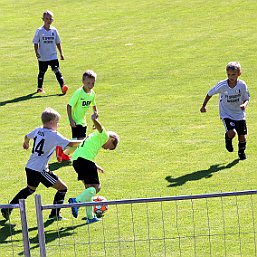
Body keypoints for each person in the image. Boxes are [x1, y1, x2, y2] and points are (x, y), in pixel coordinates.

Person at [1, 108, 82, 221]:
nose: (58, 125)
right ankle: (54, 214)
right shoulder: (54, 135)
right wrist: (85, 141)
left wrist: (26, 143)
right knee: (63, 188)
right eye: (57, 122)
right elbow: (71, 143)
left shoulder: (38, 130)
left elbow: (26, 136)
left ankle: (8, 208)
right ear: (51, 122)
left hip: (30, 167)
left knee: (30, 189)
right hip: (40, 170)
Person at [68, 113, 119, 224]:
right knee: (96, 188)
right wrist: (94, 120)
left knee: (89, 189)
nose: (107, 149)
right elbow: (101, 128)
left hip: (77, 160)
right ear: (111, 139)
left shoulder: (94, 137)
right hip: (84, 161)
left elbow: (86, 151)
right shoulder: (104, 135)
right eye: (110, 147)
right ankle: (76, 202)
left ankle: (90, 217)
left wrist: (95, 166)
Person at [200, 61, 250, 160]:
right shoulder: (222, 85)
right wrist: (204, 106)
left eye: (233, 74)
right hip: (226, 113)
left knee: (242, 136)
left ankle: (241, 152)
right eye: (228, 74)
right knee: (232, 133)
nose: (231, 77)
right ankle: (228, 139)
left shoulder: (242, 85)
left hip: (239, 114)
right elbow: (210, 93)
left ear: (239, 74)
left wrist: (244, 105)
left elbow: (247, 98)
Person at [56, 70, 98, 162]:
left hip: (83, 121)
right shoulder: (79, 93)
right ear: (83, 82)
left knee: (78, 141)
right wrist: (71, 120)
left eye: (92, 83)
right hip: (75, 120)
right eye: (88, 83)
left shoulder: (92, 93)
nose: (90, 85)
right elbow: (69, 105)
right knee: (80, 141)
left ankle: (63, 152)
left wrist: (96, 115)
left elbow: (93, 104)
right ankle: (64, 151)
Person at [33, 10, 68, 95]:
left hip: (53, 56)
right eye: (47, 18)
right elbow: (35, 43)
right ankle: (39, 88)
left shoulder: (54, 30)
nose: (48, 20)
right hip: (43, 57)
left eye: (50, 19)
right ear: (43, 19)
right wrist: (37, 53)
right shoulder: (39, 31)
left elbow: (58, 42)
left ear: (52, 20)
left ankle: (63, 87)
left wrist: (61, 53)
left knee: (57, 70)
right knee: (42, 72)